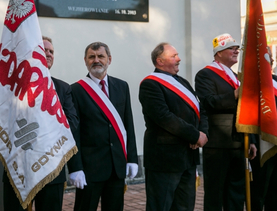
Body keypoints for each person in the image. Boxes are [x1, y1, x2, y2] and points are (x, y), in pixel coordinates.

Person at [2, 36, 79, 211]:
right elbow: (4, 119)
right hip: (18, 168)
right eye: (44, 50)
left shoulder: (63, 88)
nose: (49, 54)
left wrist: (38, 133)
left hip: (51, 168)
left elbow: (72, 123)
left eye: (51, 51)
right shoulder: (11, 86)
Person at [68, 41, 139, 211]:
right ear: (85, 60)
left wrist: (132, 159)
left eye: (101, 56)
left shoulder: (122, 86)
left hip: (116, 166)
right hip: (89, 169)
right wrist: (75, 167)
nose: (96, 60)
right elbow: (73, 132)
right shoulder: (75, 90)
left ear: (109, 59)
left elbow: (128, 124)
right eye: (92, 57)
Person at [139, 42, 208, 211]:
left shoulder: (182, 82)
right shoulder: (150, 85)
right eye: (174, 56)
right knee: (161, 206)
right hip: (165, 160)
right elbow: (164, 117)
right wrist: (194, 135)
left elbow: (200, 109)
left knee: (184, 206)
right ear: (160, 61)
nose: (179, 59)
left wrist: (202, 133)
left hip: (188, 156)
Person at [195, 33, 257, 211]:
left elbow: (245, 110)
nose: (236, 51)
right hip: (218, 143)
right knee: (215, 193)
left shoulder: (236, 76)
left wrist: (251, 139)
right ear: (219, 52)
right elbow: (208, 102)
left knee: (236, 193)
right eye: (231, 48)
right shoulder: (205, 74)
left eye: (237, 48)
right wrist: (235, 94)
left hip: (239, 141)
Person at [250, 46, 277, 211]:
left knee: (275, 191)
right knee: (259, 190)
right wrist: (251, 141)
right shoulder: (251, 83)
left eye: (271, 58)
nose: (271, 61)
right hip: (262, 143)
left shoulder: (276, 80)